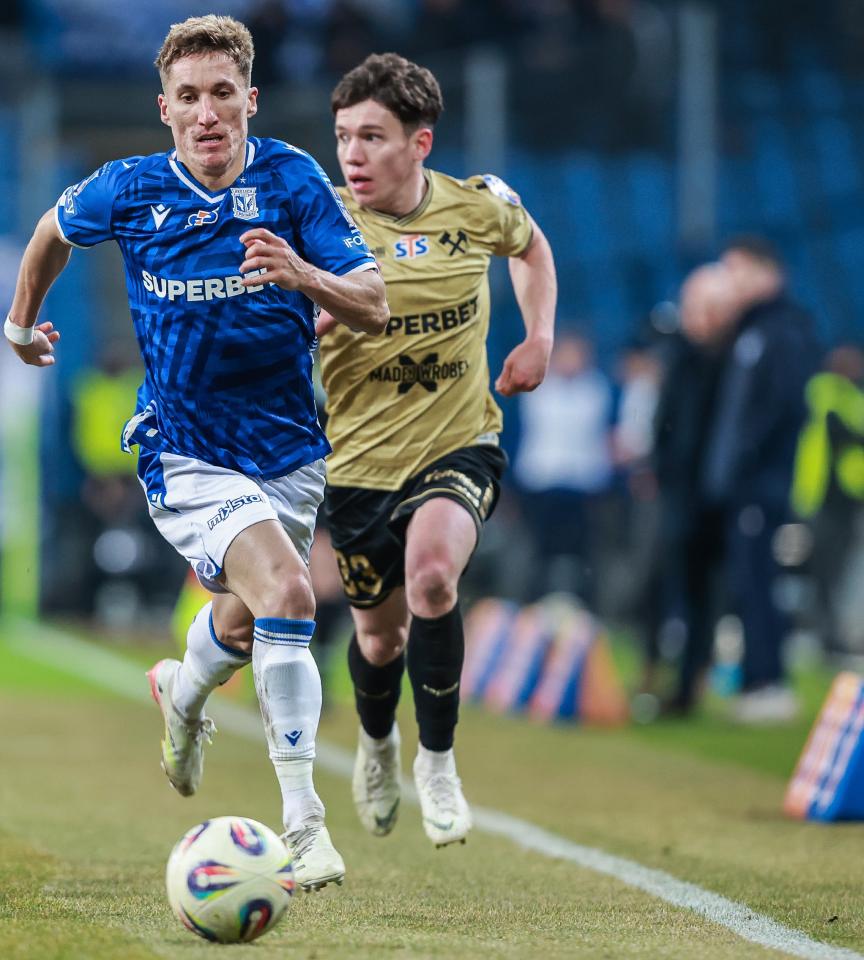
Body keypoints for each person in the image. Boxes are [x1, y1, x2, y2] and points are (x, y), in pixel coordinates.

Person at [4, 15, 388, 890]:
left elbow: (372, 302)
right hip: (185, 452)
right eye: (189, 97)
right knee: (292, 590)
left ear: (249, 100)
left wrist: (305, 275)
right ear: (165, 109)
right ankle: (306, 826)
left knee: (250, 619)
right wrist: (18, 325)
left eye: (223, 94)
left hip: (290, 452)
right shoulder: (131, 189)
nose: (207, 113)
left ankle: (182, 694)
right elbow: (49, 232)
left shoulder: (293, 180)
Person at [318, 53, 556, 847]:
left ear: (419, 144)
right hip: (354, 465)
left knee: (432, 578)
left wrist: (539, 337)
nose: (352, 154)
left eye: (372, 137)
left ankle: (439, 761)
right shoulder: (317, 219)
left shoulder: (477, 204)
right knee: (379, 639)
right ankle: (379, 743)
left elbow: (532, 249)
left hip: (459, 443)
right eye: (344, 135)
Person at [708, 237, 821, 722]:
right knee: (748, 580)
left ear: (765, 273)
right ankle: (757, 678)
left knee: (760, 582)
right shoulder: (750, 331)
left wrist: (747, 461)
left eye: (736, 271)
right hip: (747, 481)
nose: (729, 283)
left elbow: (782, 407)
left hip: (764, 482)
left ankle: (770, 684)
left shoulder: (782, 332)